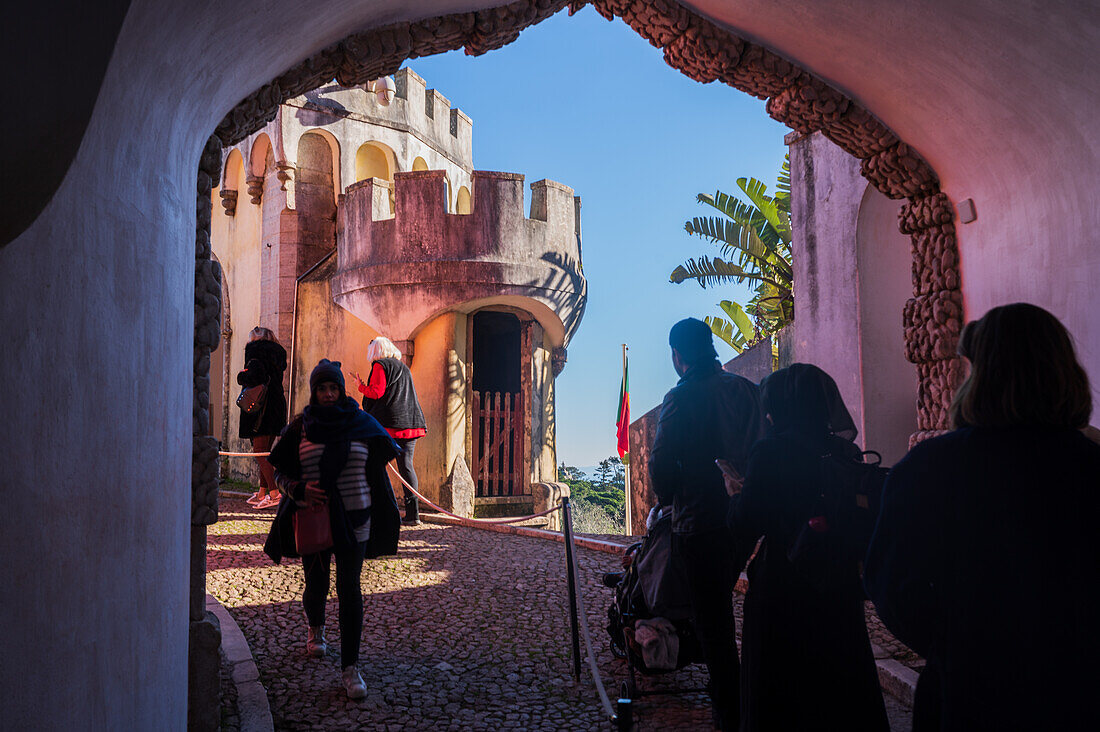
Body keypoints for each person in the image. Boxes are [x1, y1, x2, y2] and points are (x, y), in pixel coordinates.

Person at [864, 303, 1100, 731]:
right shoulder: (1090, 464)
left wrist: (953, 643)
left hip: (970, 693)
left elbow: (892, 587)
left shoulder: (928, 468)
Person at [725, 363, 889, 731]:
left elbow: (746, 522)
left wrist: (734, 494)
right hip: (837, 586)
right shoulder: (843, 453)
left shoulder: (769, 451)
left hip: (783, 589)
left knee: (781, 698)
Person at [648, 318, 764, 731]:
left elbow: (661, 464)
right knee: (732, 609)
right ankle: (747, 696)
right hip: (743, 519)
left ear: (678, 356)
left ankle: (730, 710)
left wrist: (667, 501)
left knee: (713, 620)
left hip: (698, 522)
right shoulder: (747, 391)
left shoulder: (679, 399)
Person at [264, 359, 402, 699]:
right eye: (322, 388)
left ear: (341, 390)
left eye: (333, 388)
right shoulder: (300, 428)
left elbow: (379, 462)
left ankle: (351, 667)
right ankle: (316, 629)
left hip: (357, 518)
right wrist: (298, 490)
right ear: (314, 392)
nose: (328, 394)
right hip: (314, 517)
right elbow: (279, 471)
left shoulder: (361, 423)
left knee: (349, 588)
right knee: (316, 582)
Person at [352, 336, 427, 525]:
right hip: (410, 422)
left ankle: (375, 512)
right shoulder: (402, 367)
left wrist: (360, 387)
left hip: (390, 425)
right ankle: (413, 514)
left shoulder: (380, 366)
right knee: (406, 467)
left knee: (373, 466)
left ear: (375, 351)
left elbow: (377, 392)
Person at [236, 326, 288, 509]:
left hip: (262, 408)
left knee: (259, 452)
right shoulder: (278, 354)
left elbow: (253, 377)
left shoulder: (255, 353)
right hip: (276, 405)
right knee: (265, 452)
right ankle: (262, 492)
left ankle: (274, 493)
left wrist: (241, 376)